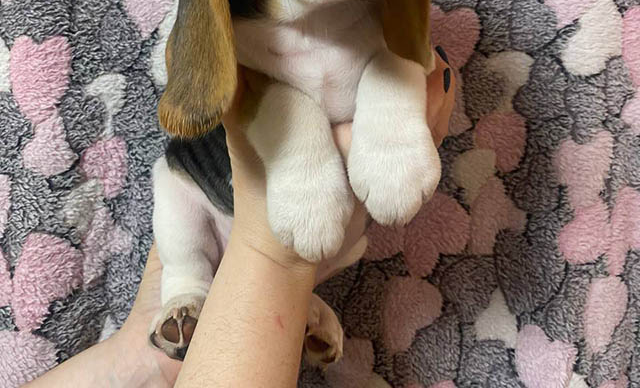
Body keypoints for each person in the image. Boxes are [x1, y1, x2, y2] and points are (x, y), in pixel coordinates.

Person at [28, 48, 454, 388]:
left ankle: (237, 309)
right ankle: (191, 287)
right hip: (214, 199)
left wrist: (394, 103)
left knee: (348, 236)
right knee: (173, 181)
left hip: (331, 236)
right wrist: (269, 259)